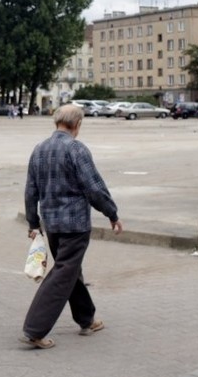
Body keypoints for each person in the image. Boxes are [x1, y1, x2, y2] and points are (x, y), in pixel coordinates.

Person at [19, 103, 123, 349]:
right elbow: (94, 188)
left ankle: (87, 320)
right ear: (77, 124)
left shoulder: (39, 149)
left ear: (57, 122)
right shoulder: (76, 149)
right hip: (75, 225)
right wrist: (112, 213)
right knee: (63, 274)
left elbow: (30, 190)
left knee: (70, 272)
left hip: (52, 226)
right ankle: (34, 329)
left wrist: (34, 222)